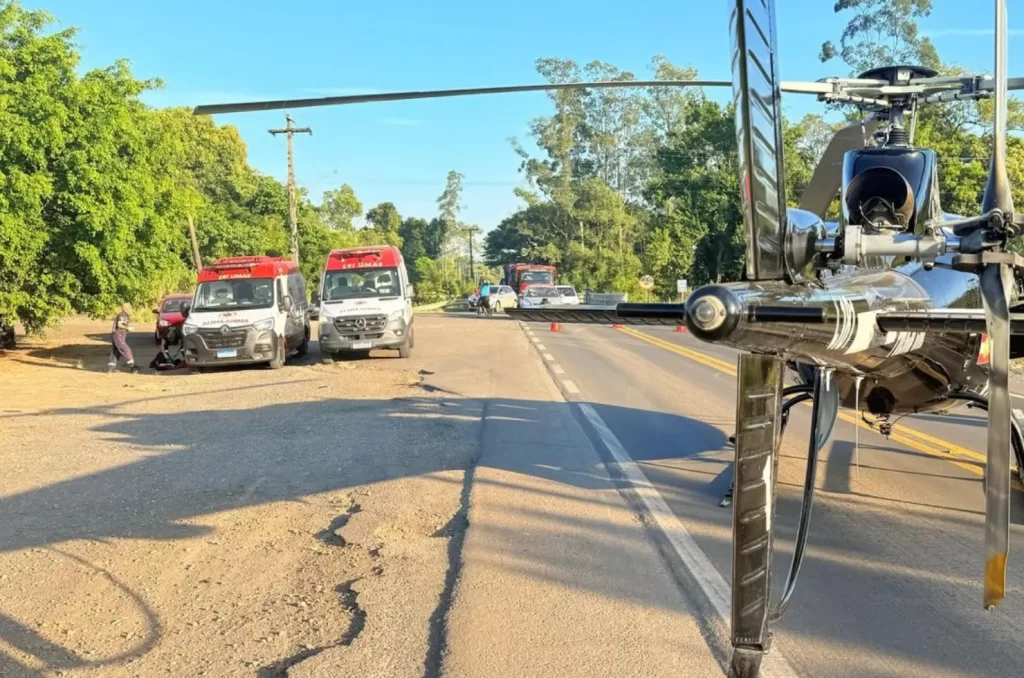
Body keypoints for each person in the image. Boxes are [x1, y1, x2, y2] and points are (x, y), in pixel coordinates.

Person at [108, 303, 138, 374]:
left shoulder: (124, 315)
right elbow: (119, 324)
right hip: (118, 335)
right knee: (126, 349)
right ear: (127, 308)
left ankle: (111, 368)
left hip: (116, 335)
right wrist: (128, 328)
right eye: (130, 308)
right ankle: (132, 366)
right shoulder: (123, 314)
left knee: (116, 351)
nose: (131, 310)